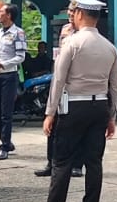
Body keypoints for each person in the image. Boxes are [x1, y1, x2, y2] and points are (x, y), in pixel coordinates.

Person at [32, 0, 117, 202]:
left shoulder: (72, 43)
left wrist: (50, 113)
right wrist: (112, 117)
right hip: (99, 107)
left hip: (73, 107)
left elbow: (58, 80)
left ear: (79, 13)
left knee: (61, 163)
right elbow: (114, 86)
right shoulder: (110, 48)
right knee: (94, 163)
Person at [33, 21, 83, 179]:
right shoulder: (63, 40)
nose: (63, 40)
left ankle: (77, 165)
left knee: (77, 129)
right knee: (52, 127)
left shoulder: (82, 41)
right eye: (61, 37)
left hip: (75, 89)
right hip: (58, 86)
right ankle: (51, 163)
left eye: (73, 11)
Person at [0, 3, 27, 160]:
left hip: (9, 76)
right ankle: (6, 141)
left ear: (9, 15)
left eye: (1, 12)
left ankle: (4, 147)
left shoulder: (18, 33)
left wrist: (2, 64)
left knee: (6, 113)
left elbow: (20, 57)